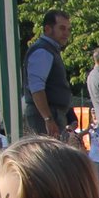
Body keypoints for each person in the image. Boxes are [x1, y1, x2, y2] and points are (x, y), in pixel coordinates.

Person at [21, 10, 76, 140]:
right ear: (47, 29)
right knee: (47, 157)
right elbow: (37, 88)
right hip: (45, 117)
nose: (66, 33)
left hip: (52, 114)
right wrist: (48, 118)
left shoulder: (50, 50)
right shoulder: (42, 51)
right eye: (62, 28)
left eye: (68, 29)